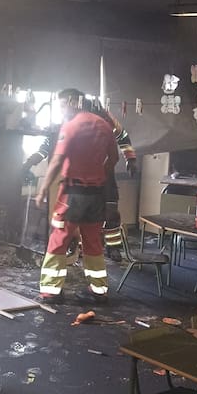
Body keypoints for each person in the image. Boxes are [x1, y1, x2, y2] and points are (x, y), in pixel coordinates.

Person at [24, 97, 136, 261]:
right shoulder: (67, 122)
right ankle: (80, 247)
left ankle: (113, 247)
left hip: (104, 175)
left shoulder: (104, 119)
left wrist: (130, 159)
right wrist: (29, 162)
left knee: (111, 211)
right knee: (78, 216)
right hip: (78, 180)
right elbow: (48, 146)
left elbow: (122, 137)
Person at [34, 89, 118, 304]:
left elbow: (57, 160)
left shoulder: (71, 126)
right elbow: (114, 159)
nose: (62, 111)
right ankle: (98, 290)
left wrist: (43, 188)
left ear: (73, 101)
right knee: (93, 241)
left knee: (59, 239)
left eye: (62, 106)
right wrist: (100, 174)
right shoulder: (105, 126)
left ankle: (51, 291)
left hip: (73, 194)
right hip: (96, 194)